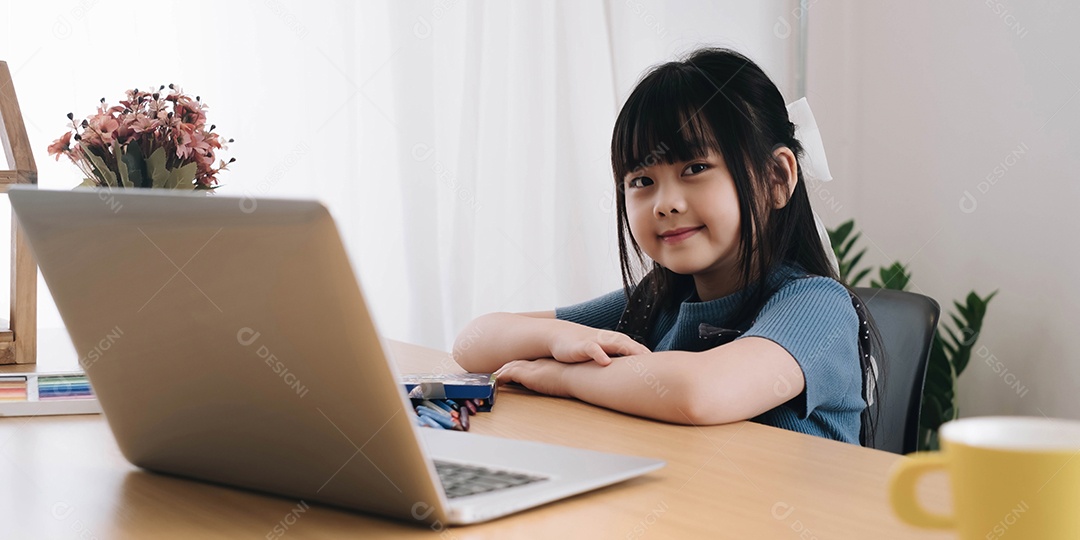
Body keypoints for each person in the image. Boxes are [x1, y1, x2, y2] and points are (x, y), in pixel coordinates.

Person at [453, 47, 879, 445]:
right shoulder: (657, 301)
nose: (665, 204)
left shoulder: (818, 305)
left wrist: (562, 377)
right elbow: (474, 342)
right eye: (642, 181)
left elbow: (699, 392)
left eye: (695, 168)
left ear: (776, 178)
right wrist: (558, 339)